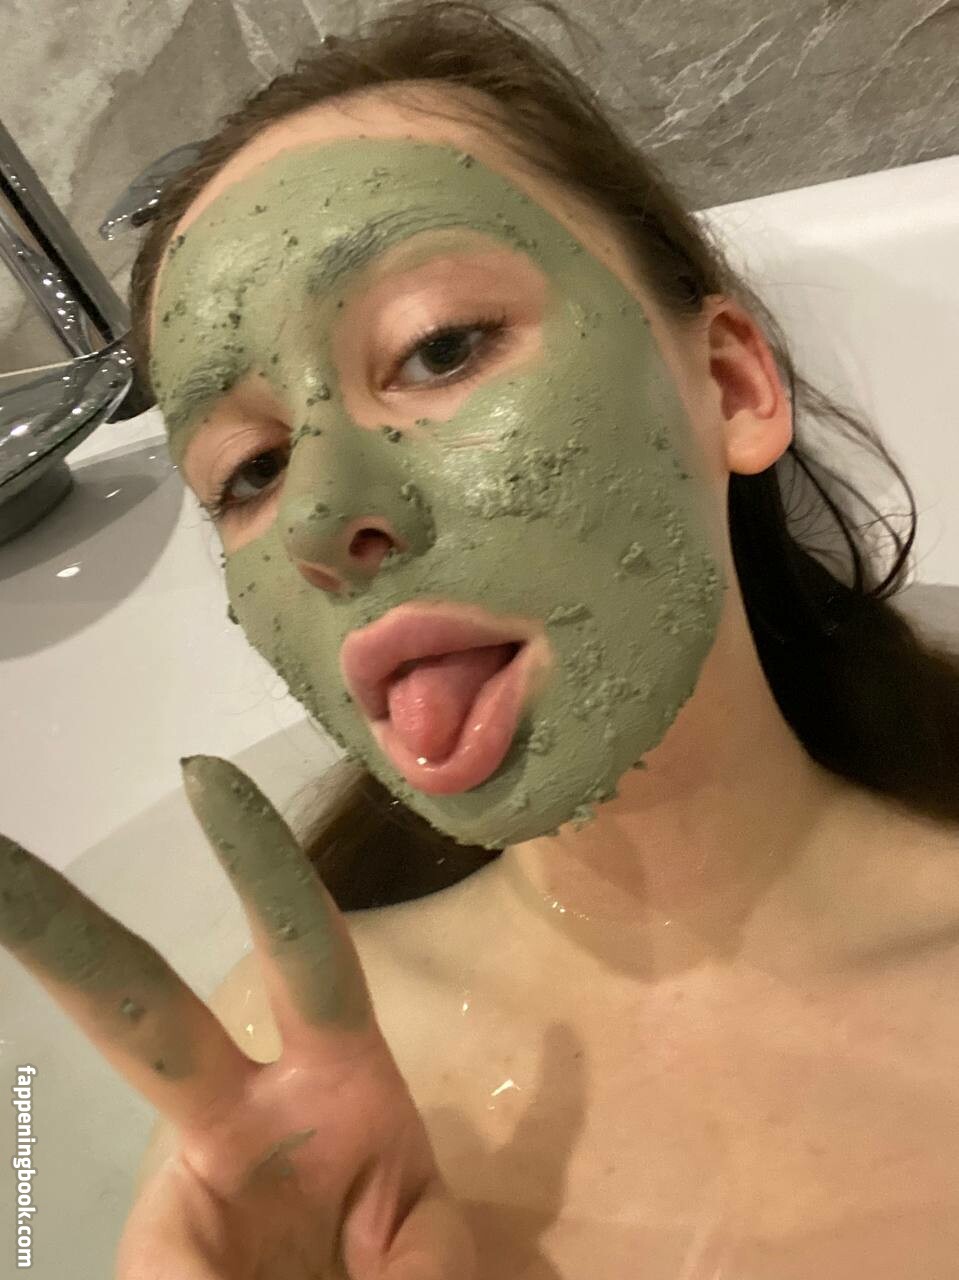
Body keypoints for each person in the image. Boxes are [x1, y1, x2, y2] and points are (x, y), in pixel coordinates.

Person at [2, 2, 959, 1275]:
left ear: (730, 384)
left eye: (438, 348)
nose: (321, 517)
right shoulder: (278, 1090)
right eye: (250, 469)